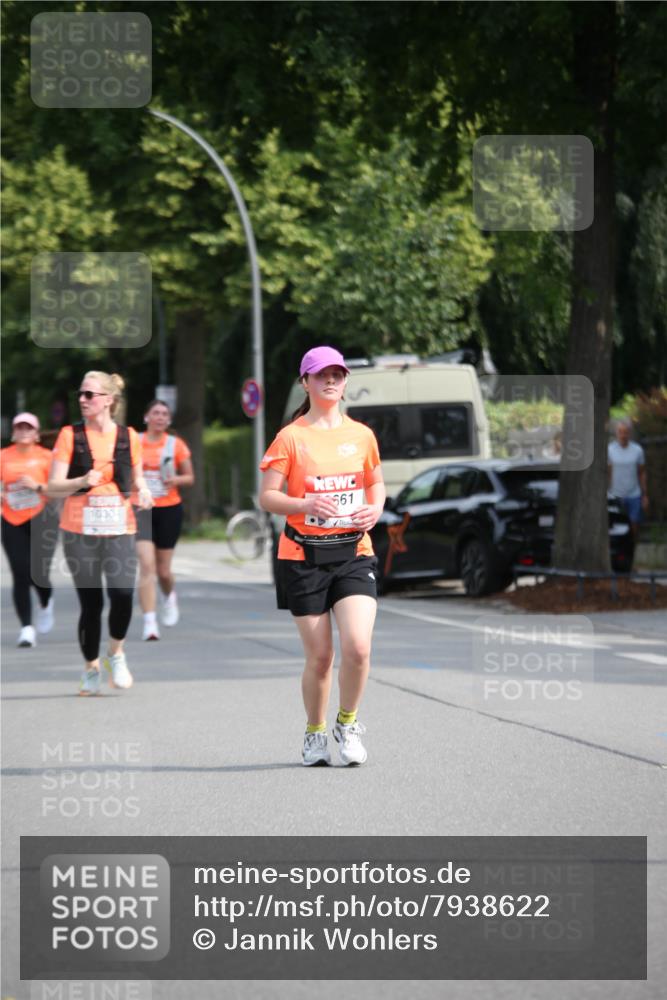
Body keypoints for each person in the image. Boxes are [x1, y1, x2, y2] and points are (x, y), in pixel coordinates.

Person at [259, 346, 385, 767]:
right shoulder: (291, 437)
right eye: (320, 375)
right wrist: (304, 504)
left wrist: (377, 508)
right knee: (321, 657)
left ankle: (347, 724)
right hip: (302, 556)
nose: (330, 380)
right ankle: (315, 732)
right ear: (305, 382)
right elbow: (268, 497)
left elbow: (375, 483)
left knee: (359, 647)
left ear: (346, 381)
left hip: (354, 552)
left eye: (337, 374)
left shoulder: (362, 435)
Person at [48, 372, 153, 695]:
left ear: (108, 400)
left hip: (119, 527)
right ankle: (91, 666)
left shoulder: (129, 436)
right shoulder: (69, 435)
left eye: (90, 394)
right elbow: (53, 486)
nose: (82, 399)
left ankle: (115, 652)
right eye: (81, 394)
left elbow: (137, 478)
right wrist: (81, 481)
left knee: (123, 594)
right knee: (91, 604)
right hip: (79, 530)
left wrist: (145, 490)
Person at [134, 399, 194, 640]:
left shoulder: (176, 444)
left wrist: (176, 481)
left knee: (163, 571)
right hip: (141, 508)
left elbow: (189, 477)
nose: (160, 417)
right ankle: (149, 622)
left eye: (164, 414)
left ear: (168, 420)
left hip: (169, 508)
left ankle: (169, 597)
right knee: (146, 565)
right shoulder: (134, 442)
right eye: (155, 412)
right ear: (146, 417)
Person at [1, 412, 57, 647]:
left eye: (28, 428)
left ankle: (46, 602)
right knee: (20, 573)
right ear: (14, 432)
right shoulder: (3, 456)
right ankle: (26, 628)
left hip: (42, 517)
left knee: (39, 573)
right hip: (12, 518)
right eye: (20, 427)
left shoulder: (47, 457)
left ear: (36, 433)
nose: (24, 431)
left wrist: (37, 486)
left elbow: (57, 491)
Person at [608, 419, 648, 543]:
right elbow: (607, 473)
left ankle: (632, 551)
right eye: (620, 432)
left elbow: (641, 473)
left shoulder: (637, 450)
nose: (623, 435)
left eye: (625, 432)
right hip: (616, 495)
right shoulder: (610, 450)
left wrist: (645, 495)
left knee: (634, 525)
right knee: (616, 526)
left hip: (634, 494)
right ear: (616, 433)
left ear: (629, 433)